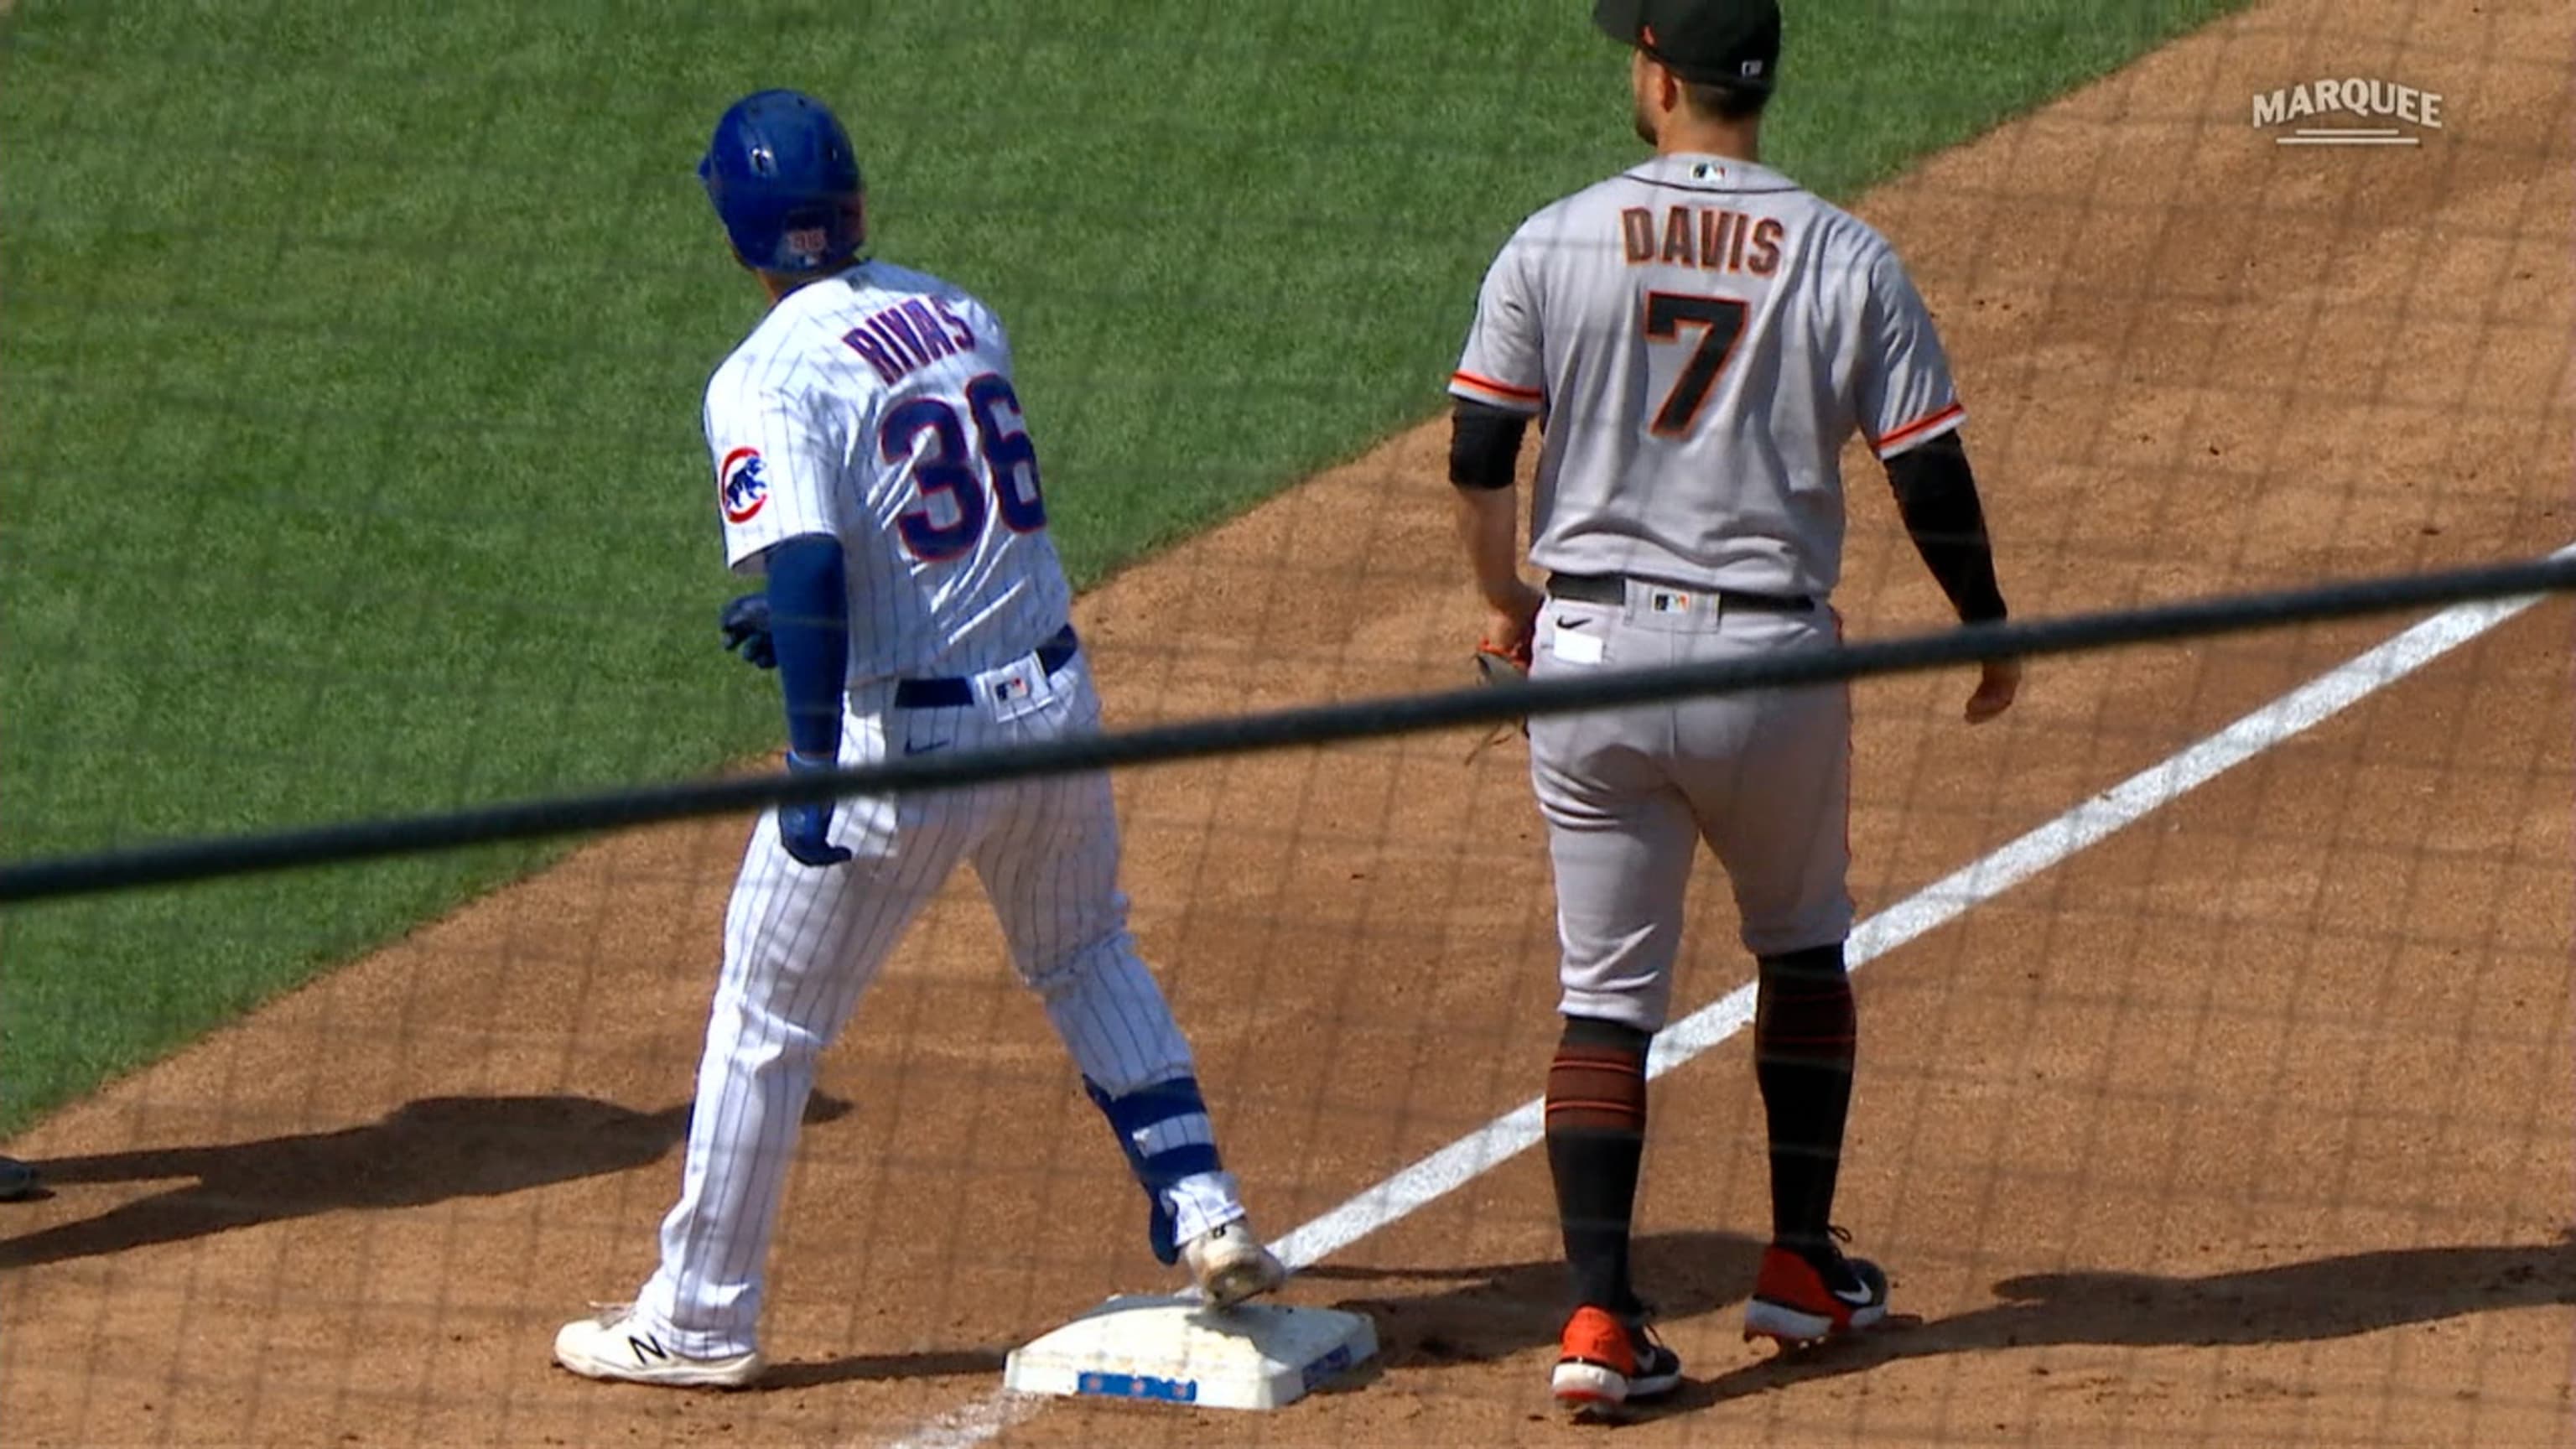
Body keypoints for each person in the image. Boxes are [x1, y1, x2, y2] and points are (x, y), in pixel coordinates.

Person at [553, 89, 1285, 1389]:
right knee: (1085, 948)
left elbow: (812, 563)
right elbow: (937, 537)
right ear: (853, 207)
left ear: (733, 227)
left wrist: (808, 758)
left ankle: (700, 1318)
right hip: (1050, 710)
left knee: (767, 1017)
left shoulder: (765, 376)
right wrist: (809, 629)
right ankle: (1207, 1209)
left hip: (909, 747)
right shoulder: (958, 313)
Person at [1444, 0, 2019, 1414]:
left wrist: (1512, 604)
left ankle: (1596, 1320)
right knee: (1804, 946)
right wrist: (1986, 625)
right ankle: (1800, 1265)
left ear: (1656, 74)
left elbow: (1477, 451)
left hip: (1589, 665)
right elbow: (1925, 474)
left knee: (1604, 999)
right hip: (1773, 670)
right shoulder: (1843, 251)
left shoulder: (1556, 236)